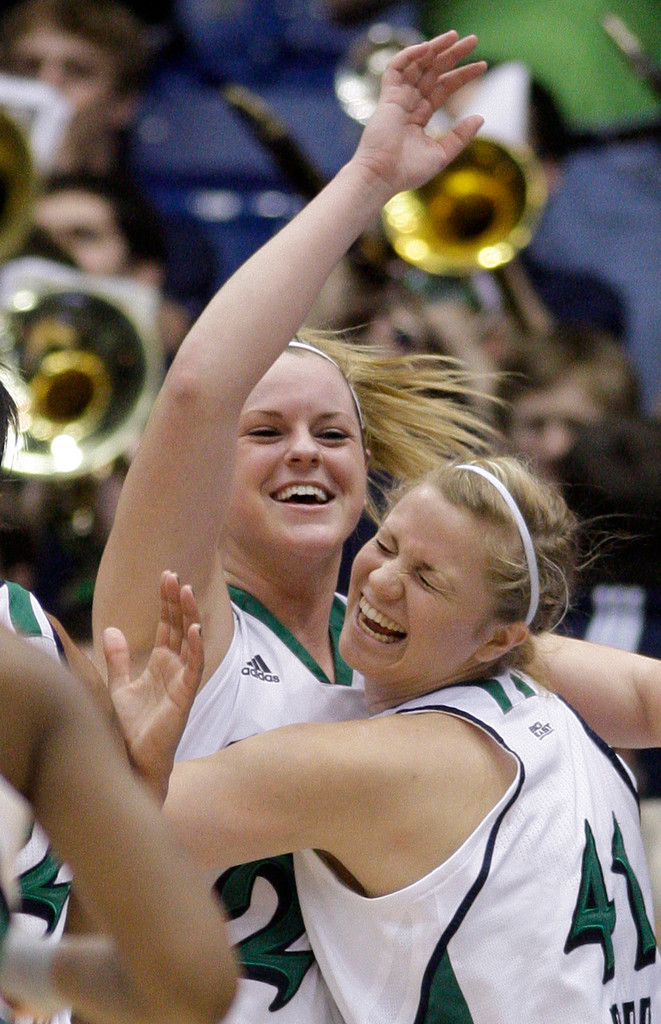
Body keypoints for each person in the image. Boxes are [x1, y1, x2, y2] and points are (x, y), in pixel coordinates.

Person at [92, 30, 491, 1024]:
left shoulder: (395, 651)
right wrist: (368, 181)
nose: (305, 453)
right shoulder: (181, 620)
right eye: (264, 432)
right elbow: (196, 391)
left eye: (332, 434)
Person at [105, 454, 661, 1021]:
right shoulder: (546, 698)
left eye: (426, 578)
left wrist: (129, 749)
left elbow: (102, 828)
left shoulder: (388, 767)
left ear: (499, 640)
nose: (382, 580)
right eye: (387, 544)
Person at [0, 608, 238, 1024]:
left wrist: (140, 786)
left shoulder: (35, 659)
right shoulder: (27, 682)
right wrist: (18, 966)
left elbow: (176, 987)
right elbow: (191, 982)